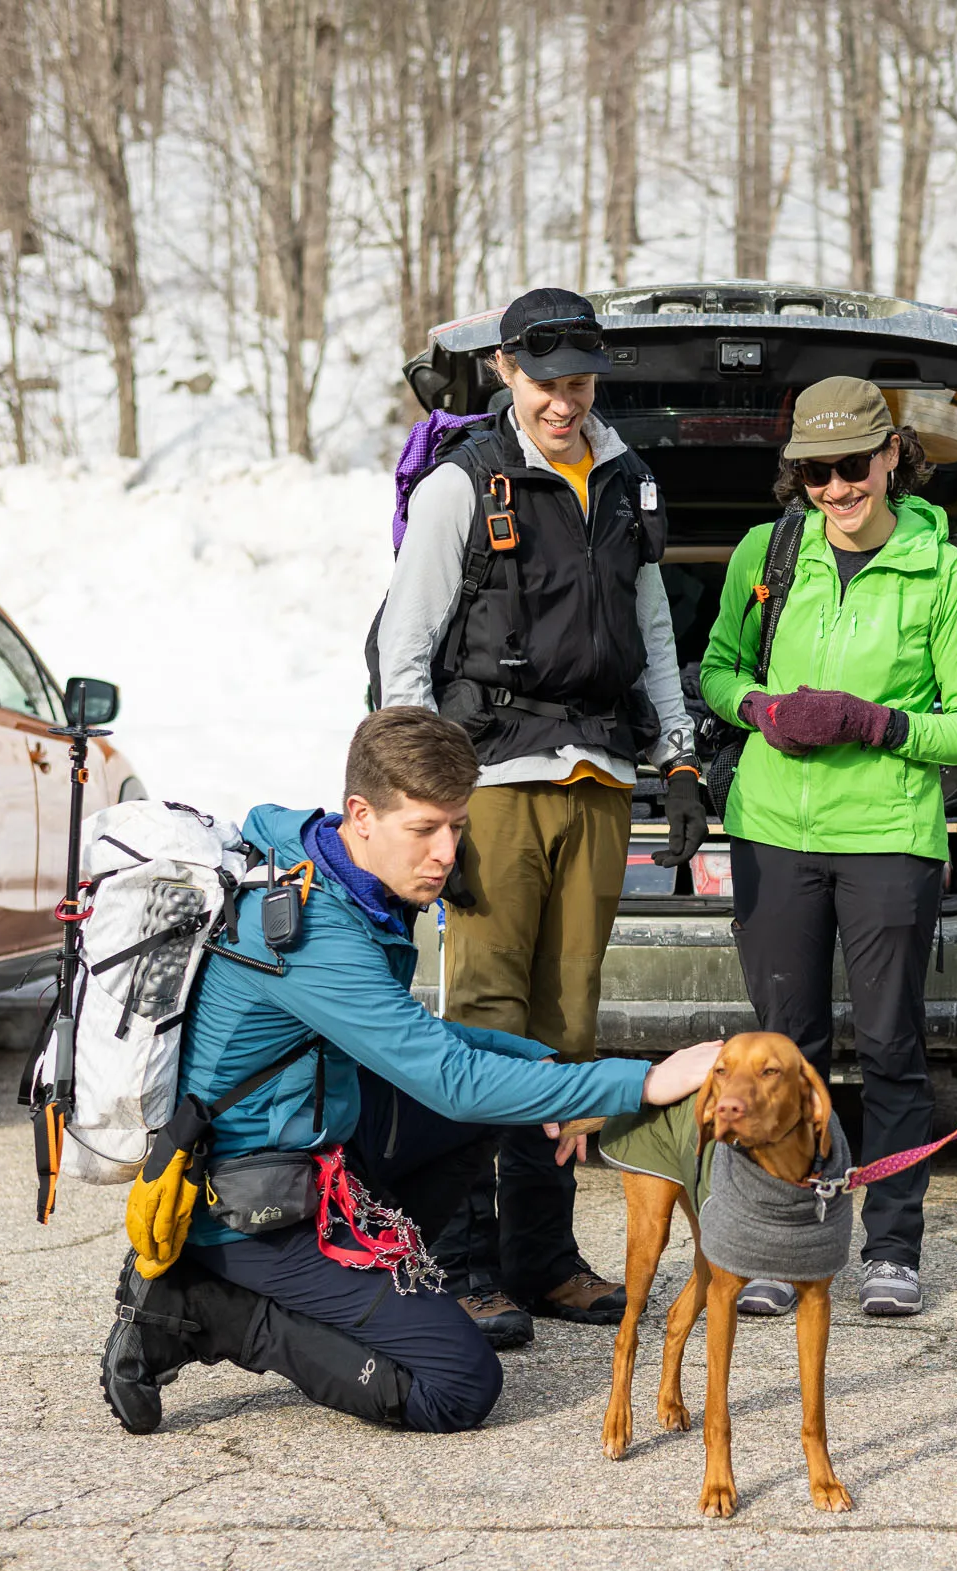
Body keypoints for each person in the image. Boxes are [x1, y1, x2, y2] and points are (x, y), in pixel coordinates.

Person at [101, 707, 721, 1434]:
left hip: (312, 1155)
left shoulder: (329, 873)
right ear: (360, 814)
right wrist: (642, 1082)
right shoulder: (312, 930)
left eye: (457, 826)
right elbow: (446, 1075)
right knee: (458, 1384)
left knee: (485, 1106)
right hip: (244, 1209)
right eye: (425, 829)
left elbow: (419, 1040)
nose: (446, 852)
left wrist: (547, 1065)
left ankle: (373, 1297)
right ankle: (206, 1309)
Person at [370, 287, 708, 1349]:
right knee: (484, 1022)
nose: (565, 400)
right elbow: (406, 653)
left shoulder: (626, 478)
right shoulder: (461, 485)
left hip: (600, 778)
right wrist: (431, 815)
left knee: (564, 1036)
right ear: (508, 371)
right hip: (498, 780)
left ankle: (542, 1257)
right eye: (546, 380)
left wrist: (681, 754)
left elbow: (652, 624)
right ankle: (465, 1261)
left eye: (579, 380)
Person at [698, 376, 957, 1320]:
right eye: (816, 471)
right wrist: (757, 707)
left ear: (891, 456)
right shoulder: (768, 550)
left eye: (852, 466)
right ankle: (770, 1241)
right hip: (774, 833)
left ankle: (893, 1246)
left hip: (886, 837)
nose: (836, 487)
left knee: (890, 1046)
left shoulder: (942, 570)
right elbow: (715, 669)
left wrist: (878, 723)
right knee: (777, 1057)